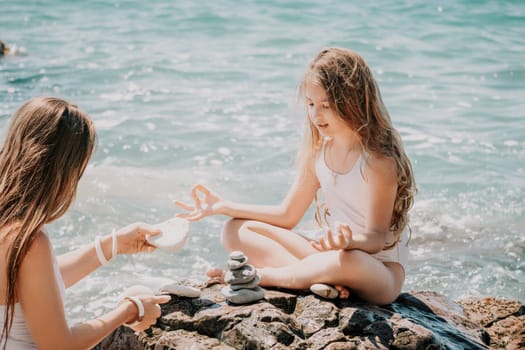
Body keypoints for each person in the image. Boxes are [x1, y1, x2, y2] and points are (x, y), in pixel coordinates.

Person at [175, 47, 416, 305]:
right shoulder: (319, 154)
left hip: (377, 271)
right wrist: (225, 207)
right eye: (311, 104)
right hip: (331, 256)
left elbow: (377, 239)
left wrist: (349, 242)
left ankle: (266, 277)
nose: (316, 115)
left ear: (354, 101)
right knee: (235, 229)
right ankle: (321, 280)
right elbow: (287, 215)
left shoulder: (379, 160)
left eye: (326, 105)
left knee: (347, 261)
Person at [0, 97, 171, 349]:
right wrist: (129, 310)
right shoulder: (29, 242)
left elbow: (36, 286)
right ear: (63, 169)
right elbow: (60, 346)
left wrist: (112, 245)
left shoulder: (9, 224)